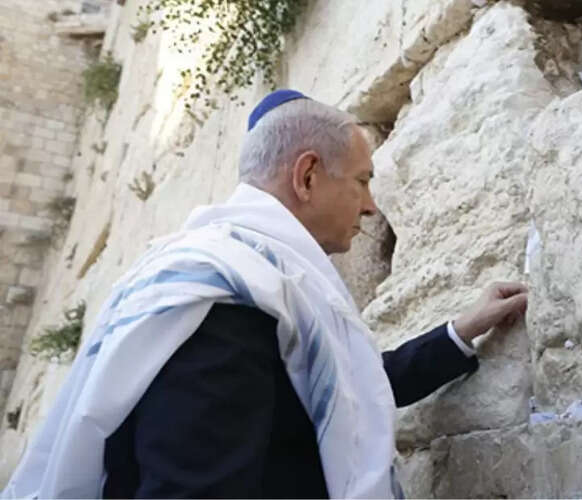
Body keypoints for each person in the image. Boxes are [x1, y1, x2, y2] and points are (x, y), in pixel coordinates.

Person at [3, 90, 528, 498]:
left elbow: (341, 389)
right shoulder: (224, 300)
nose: (371, 206)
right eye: (363, 181)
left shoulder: (255, 282)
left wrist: (459, 333)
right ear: (306, 176)